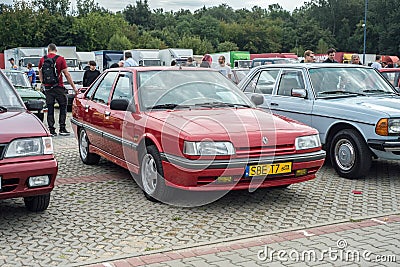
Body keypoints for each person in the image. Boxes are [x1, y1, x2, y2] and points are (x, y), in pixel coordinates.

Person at [38, 43, 77, 137]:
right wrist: (74, 87)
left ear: (48, 50)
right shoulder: (60, 59)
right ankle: (62, 128)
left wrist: (43, 83)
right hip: (59, 87)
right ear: (56, 50)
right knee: (63, 107)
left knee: (50, 108)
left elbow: (40, 73)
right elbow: (66, 74)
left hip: (48, 88)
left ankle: (51, 130)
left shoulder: (43, 59)